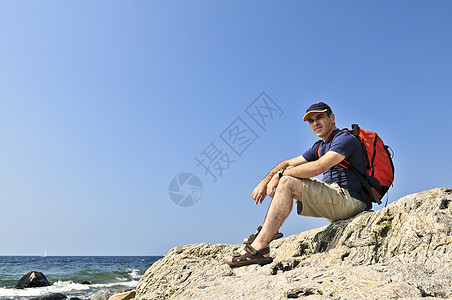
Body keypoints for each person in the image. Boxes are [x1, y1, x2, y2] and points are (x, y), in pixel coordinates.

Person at [225, 102, 369, 267]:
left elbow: (318, 167)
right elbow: (287, 163)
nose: (315, 123)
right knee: (288, 174)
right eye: (311, 121)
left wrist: (280, 176)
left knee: (287, 181)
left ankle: (260, 247)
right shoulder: (319, 147)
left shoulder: (344, 138)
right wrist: (265, 180)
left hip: (350, 200)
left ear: (332, 117)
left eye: (319, 117)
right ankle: (266, 232)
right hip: (336, 200)